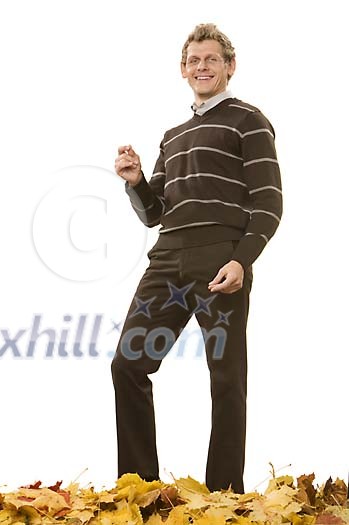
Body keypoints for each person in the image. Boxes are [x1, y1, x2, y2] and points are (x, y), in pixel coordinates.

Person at [111, 23, 283, 494]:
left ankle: (224, 495)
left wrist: (243, 260)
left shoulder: (249, 120)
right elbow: (155, 214)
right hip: (167, 259)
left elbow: (269, 202)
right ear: (182, 70)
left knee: (226, 376)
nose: (201, 66)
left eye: (211, 59)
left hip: (219, 260)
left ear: (229, 67)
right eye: (193, 60)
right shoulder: (173, 136)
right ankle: (139, 489)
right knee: (128, 364)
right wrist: (136, 181)